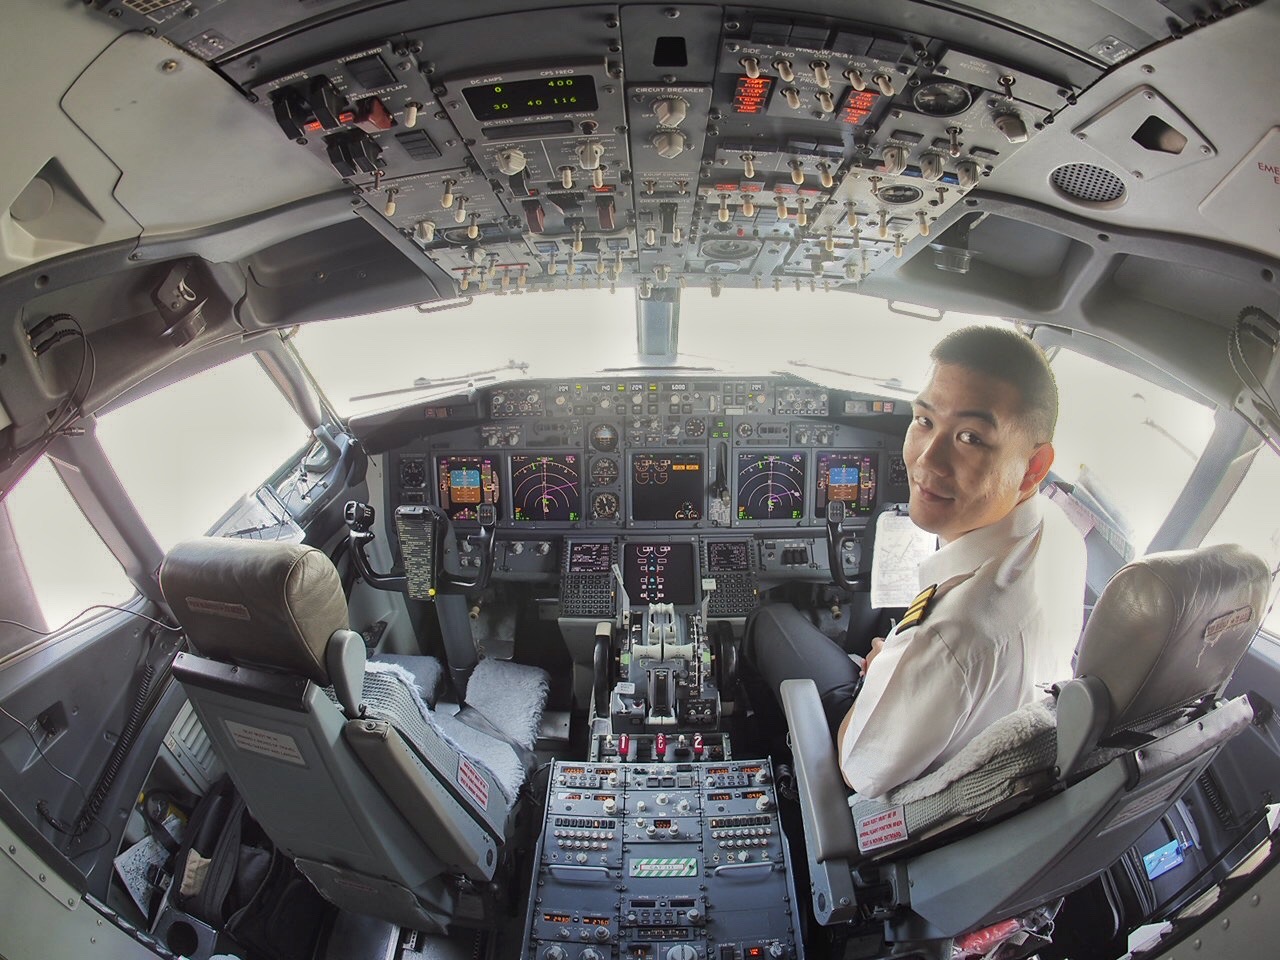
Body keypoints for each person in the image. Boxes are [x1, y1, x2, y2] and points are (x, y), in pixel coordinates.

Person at [745, 325, 1086, 798]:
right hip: (967, 725)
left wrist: (882, 673)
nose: (928, 461)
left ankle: (766, 755)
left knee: (767, 619)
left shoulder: (953, 640)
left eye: (970, 437)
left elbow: (857, 768)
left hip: (880, 778)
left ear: (1032, 466)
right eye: (924, 420)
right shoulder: (1063, 532)